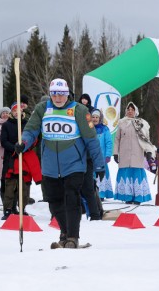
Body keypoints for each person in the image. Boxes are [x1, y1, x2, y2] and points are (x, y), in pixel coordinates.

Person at [15, 78, 103, 248]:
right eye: (54, 94)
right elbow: (31, 130)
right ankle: (64, 232)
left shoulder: (79, 110)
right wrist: (23, 143)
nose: (58, 98)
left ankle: (73, 237)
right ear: (50, 94)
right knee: (54, 200)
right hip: (50, 166)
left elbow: (91, 139)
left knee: (72, 197)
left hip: (74, 165)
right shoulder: (42, 109)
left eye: (61, 94)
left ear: (67, 94)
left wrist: (99, 164)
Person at [0, 102, 41, 219]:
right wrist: (15, 148)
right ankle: (8, 209)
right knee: (10, 185)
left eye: (19, 111)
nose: (17, 113)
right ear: (12, 113)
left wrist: (25, 147)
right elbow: (3, 141)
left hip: (25, 159)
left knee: (24, 185)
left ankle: (22, 208)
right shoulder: (7, 125)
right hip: (11, 158)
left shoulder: (27, 124)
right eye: (15, 111)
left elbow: (33, 139)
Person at [113, 102, 154, 204]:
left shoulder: (141, 123)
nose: (130, 111)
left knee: (136, 174)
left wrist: (148, 151)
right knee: (126, 174)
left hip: (137, 153)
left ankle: (138, 198)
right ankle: (127, 197)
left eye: (132, 109)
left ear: (136, 111)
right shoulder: (121, 123)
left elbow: (146, 139)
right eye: (128, 109)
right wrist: (115, 153)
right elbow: (117, 139)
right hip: (124, 154)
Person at [92, 109, 114, 200]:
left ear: (100, 118)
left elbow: (109, 142)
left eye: (97, 117)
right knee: (91, 175)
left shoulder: (104, 129)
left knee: (101, 175)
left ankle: (101, 194)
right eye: (93, 117)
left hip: (101, 157)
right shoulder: (88, 128)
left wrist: (108, 155)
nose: (95, 119)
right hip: (91, 157)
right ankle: (92, 193)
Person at [0, 106, 11, 203]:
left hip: (11, 154)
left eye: (7, 113)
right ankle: (4, 202)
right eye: (3, 113)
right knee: (3, 180)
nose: (5, 114)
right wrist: (8, 143)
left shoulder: (13, 124)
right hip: (2, 154)